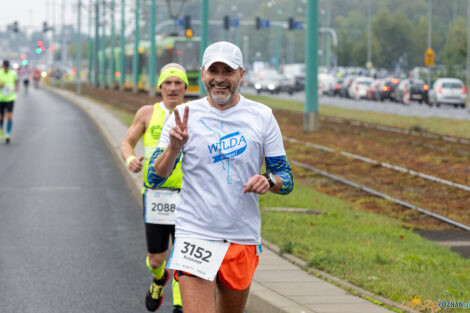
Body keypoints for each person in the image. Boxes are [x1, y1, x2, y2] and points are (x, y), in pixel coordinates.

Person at [147, 41, 294, 313]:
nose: (219, 79)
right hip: (195, 233)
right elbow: (154, 177)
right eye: (213, 71)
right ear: (202, 74)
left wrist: (269, 181)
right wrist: (173, 148)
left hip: (241, 236)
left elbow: (286, 177)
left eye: (227, 71)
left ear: (241, 74)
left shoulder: (262, 116)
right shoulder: (184, 115)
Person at [121, 63, 188, 313]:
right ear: (160, 87)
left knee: (183, 255)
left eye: (177, 83)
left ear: (185, 87)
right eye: (167, 83)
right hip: (155, 197)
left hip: (187, 197)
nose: (172, 88)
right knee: (157, 258)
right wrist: (130, 160)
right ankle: (160, 278)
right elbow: (127, 143)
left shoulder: (195, 113)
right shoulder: (147, 113)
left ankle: (180, 305)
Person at [0, 60, 18, 143]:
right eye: (5, 66)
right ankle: (1, 130)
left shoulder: (13, 73)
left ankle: (8, 133)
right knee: (1, 117)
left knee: (9, 116)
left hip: (10, 98)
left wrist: (15, 87)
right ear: (3, 66)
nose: (6, 68)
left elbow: (15, 81)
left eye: (7, 66)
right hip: (1, 98)